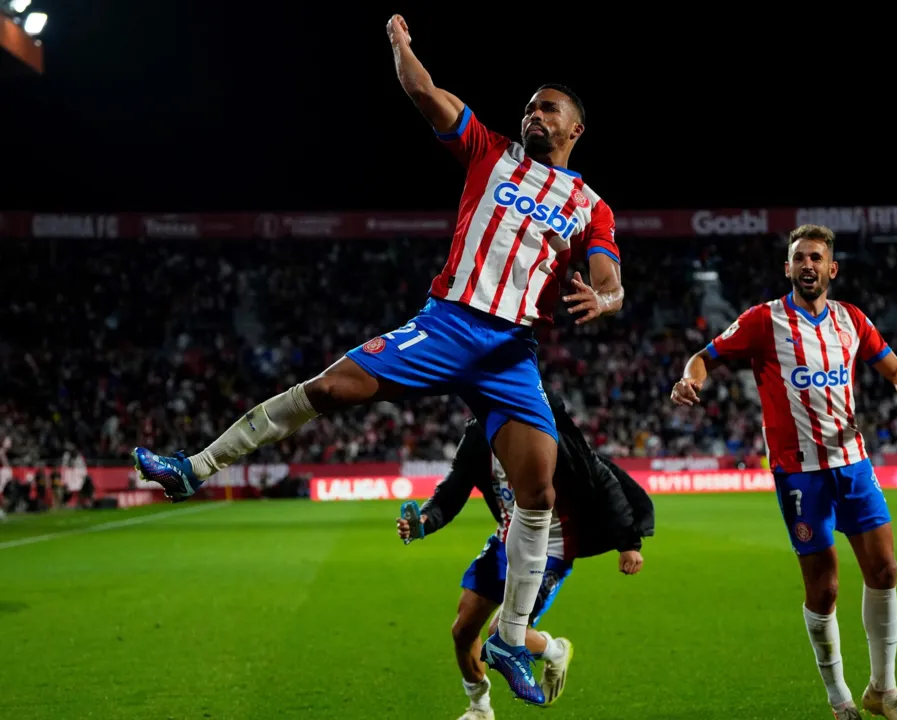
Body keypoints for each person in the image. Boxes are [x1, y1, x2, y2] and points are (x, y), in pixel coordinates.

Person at [130, 13, 623, 705]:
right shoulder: (491, 150)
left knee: (538, 492)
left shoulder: (589, 204)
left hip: (513, 351)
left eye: (549, 109)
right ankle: (195, 468)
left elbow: (607, 276)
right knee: (333, 389)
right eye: (530, 107)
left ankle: (512, 638)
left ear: (575, 129)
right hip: (452, 322)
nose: (534, 115)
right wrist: (401, 46)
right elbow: (426, 93)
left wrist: (604, 300)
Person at [670, 224, 897, 720]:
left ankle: (884, 690)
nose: (807, 265)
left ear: (832, 269)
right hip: (800, 475)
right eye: (799, 258)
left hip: (853, 462)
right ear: (786, 267)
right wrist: (688, 380)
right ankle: (840, 699)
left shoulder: (852, 320)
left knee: (886, 570)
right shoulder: (762, 321)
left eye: (816, 258)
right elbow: (705, 357)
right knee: (825, 588)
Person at [396, 390, 652, 719]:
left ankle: (555, 650)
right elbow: (453, 488)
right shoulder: (479, 434)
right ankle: (480, 709)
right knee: (463, 631)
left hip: (552, 548)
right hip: (505, 541)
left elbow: (604, 481)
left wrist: (629, 543)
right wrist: (425, 522)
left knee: (500, 632)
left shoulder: (549, 431)